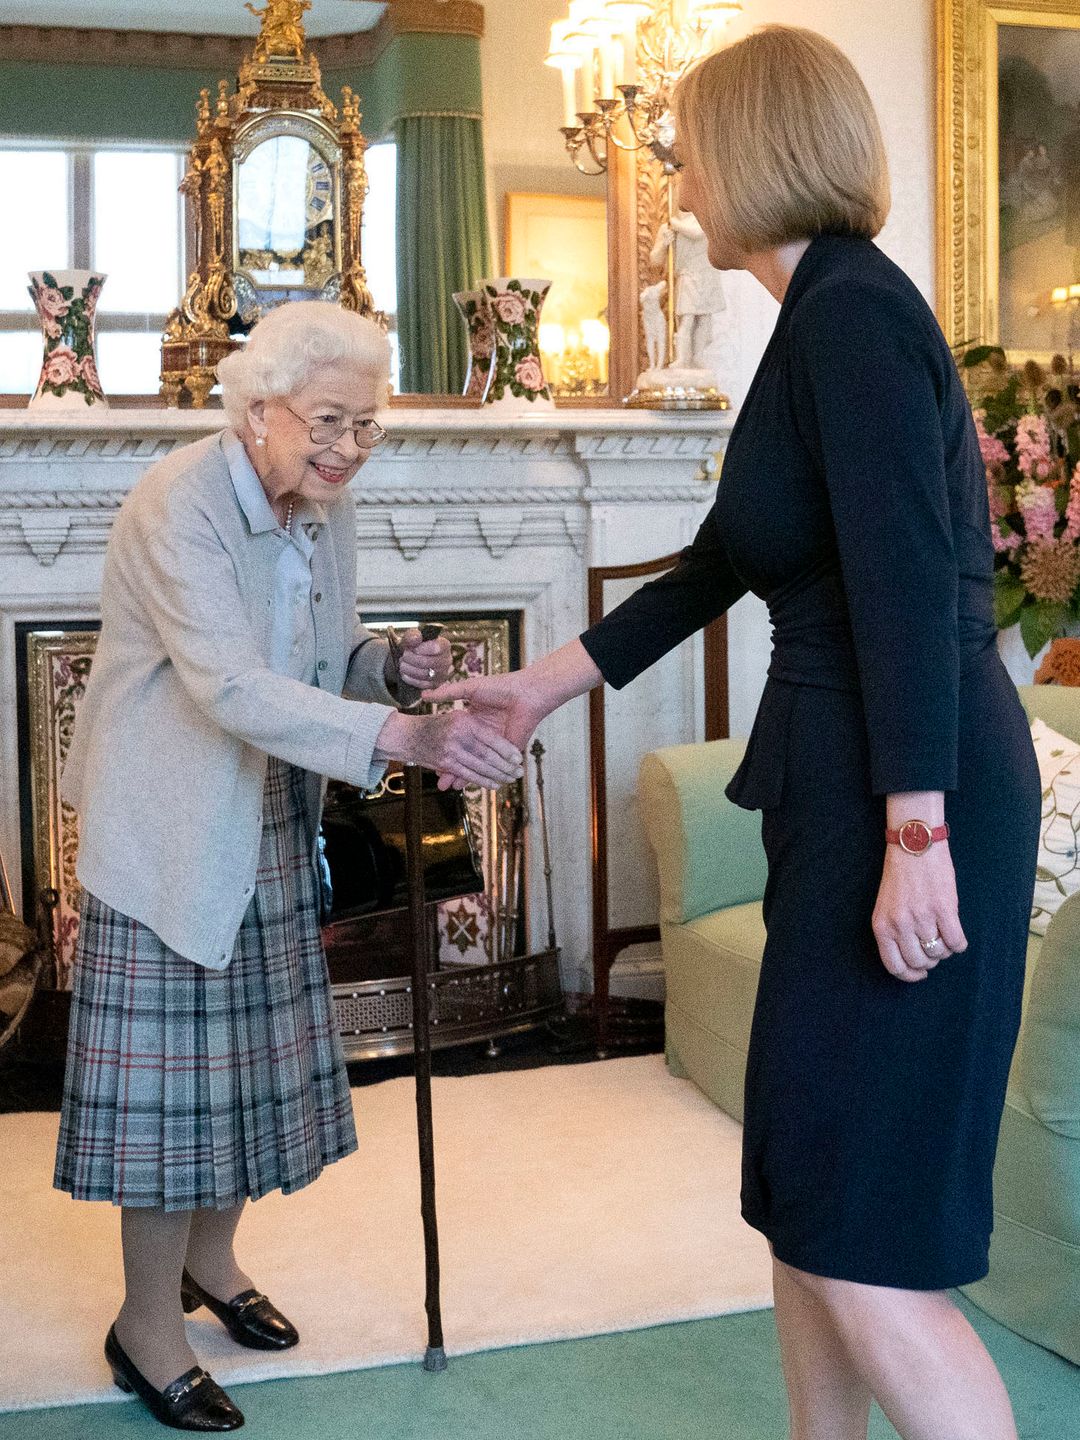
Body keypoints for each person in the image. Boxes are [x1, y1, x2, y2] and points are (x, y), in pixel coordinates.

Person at [426, 27, 1040, 1440]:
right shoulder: (817, 314)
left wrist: (917, 831)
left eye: (688, 143)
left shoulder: (854, 319)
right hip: (852, 790)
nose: (675, 171)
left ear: (758, 147)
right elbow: (723, 559)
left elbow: (903, 595)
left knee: (867, 1231)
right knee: (808, 1193)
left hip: (909, 792)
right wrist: (543, 685)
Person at [54, 300, 522, 1432]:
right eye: (328, 421)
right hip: (168, 825)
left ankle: (213, 1268)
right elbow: (227, 685)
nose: (349, 448)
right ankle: (145, 1329)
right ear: (256, 409)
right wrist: (401, 740)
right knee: (171, 1104)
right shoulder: (179, 504)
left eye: (368, 426)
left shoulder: (320, 507)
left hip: (264, 812)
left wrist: (386, 667)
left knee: (243, 1080)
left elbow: (313, 658)